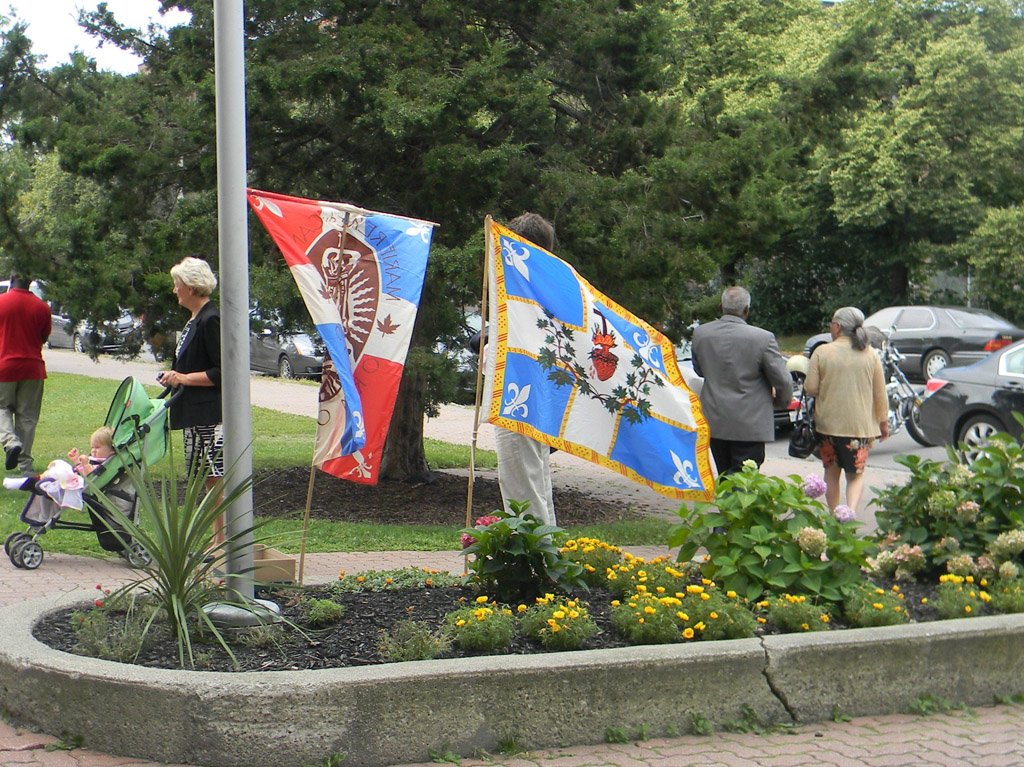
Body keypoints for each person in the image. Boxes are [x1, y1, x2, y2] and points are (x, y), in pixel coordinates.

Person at [489, 212, 558, 525]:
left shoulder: (529, 287)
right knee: (535, 479)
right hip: (534, 390)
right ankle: (546, 546)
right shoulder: (546, 285)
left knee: (522, 482)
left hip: (519, 388)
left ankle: (533, 549)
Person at [691, 286, 792, 476]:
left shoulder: (701, 334)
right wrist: (780, 403)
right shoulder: (763, 338)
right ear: (746, 310)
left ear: (721, 307)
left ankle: (725, 498)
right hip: (750, 422)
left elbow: (699, 370)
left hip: (715, 418)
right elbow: (783, 381)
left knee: (724, 475)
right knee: (745, 479)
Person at [156, 257, 224, 540]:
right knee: (205, 479)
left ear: (192, 287)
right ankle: (216, 541)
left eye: (178, 284)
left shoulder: (211, 319)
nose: (175, 290)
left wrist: (183, 378)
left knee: (215, 478)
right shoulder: (195, 319)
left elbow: (222, 371)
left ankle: (220, 543)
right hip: (193, 413)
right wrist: (174, 376)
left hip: (208, 415)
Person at [804, 306, 888, 512]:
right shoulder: (870, 354)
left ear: (837, 327)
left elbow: (810, 388)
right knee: (855, 476)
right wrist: (883, 423)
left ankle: (834, 515)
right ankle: (849, 515)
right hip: (859, 428)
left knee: (831, 473)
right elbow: (880, 393)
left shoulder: (822, 352)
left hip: (828, 426)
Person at [0, 274, 51, 474]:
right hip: (33, 367)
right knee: (27, 417)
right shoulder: (42, 307)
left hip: (4, 366)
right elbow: (43, 337)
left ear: (12, 279)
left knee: (1, 407)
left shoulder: (1, 302)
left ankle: (10, 442)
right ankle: (25, 466)